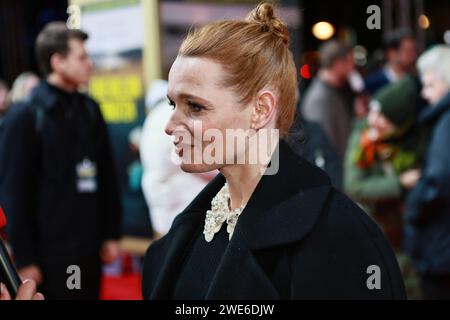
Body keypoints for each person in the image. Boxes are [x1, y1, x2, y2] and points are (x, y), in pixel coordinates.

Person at [3, 2, 406, 301]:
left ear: (261, 109)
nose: (169, 124)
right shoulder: (179, 239)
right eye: (172, 103)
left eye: (194, 106)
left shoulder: (342, 242)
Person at [0, 22, 121, 300]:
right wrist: (25, 256)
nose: (89, 64)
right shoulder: (26, 115)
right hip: (51, 252)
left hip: (89, 245)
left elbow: (107, 176)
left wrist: (111, 234)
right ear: (58, 62)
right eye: (81, 57)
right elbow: (13, 191)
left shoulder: (90, 109)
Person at [344, 76, 426, 299]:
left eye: (383, 118)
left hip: (411, 239)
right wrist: (399, 184)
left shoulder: (414, 143)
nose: (374, 120)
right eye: (374, 111)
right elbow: (355, 186)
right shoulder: (363, 140)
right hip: (377, 236)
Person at [403, 45, 450, 299]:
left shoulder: (446, 121)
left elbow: (439, 178)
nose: (425, 93)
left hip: (441, 251)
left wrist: (414, 206)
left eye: (430, 85)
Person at [140, 80, 214, 238]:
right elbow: (195, 161)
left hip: (161, 205)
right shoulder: (169, 116)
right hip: (182, 205)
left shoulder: (150, 120)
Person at [301, 40, 355, 159]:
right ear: (338, 64)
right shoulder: (320, 98)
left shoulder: (334, 90)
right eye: (350, 62)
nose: (352, 68)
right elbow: (322, 148)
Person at [365, 29, 417, 95]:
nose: (413, 55)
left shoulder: (417, 81)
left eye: (414, 50)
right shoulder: (372, 83)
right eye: (407, 51)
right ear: (391, 53)